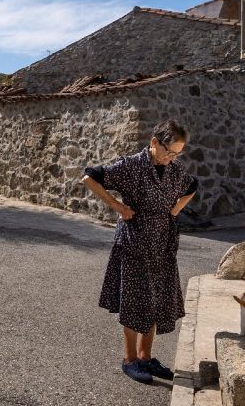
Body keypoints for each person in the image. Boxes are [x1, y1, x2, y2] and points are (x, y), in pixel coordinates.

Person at [81, 120, 198, 384]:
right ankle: (130, 360)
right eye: (169, 152)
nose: (172, 158)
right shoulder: (130, 166)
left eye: (178, 154)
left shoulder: (174, 171)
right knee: (134, 302)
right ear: (155, 142)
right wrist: (118, 206)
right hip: (134, 243)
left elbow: (192, 186)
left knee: (155, 300)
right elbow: (90, 176)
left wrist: (174, 211)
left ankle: (146, 358)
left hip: (163, 244)